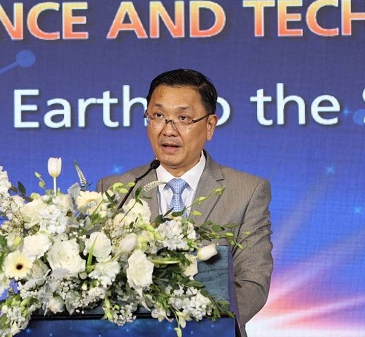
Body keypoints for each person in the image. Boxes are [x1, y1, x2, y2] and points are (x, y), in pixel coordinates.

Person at [97, 69, 273, 336]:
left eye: (183, 118)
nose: (168, 130)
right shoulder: (116, 190)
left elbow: (252, 282)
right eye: (158, 116)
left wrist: (199, 326)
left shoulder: (247, 191)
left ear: (210, 125)